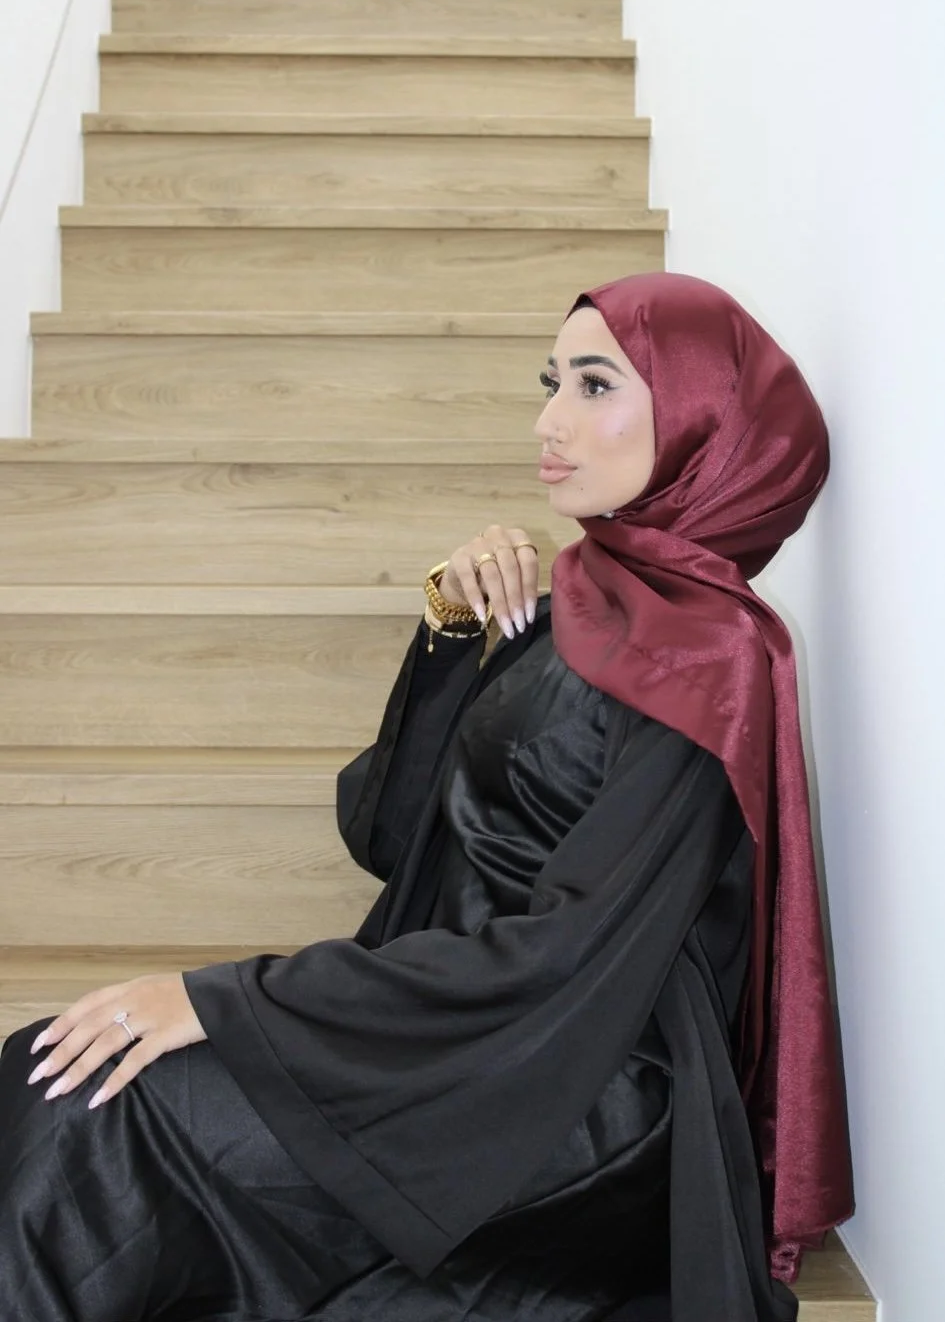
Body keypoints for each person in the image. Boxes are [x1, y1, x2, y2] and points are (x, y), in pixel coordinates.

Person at [0, 271, 854, 1321]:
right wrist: (452, 626)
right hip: (469, 1031)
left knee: (91, 1115)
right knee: (54, 1076)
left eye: (594, 386)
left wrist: (222, 1000)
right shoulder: (589, 594)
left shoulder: (709, 656)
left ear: (701, 423)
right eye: (551, 383)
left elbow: (567, 954)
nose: (549, 421)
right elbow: (394, 835)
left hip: (576, 1083)